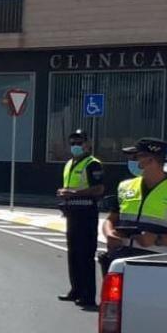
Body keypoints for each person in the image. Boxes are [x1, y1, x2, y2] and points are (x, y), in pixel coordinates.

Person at [97, 137, 167, 278]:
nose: (132, 161)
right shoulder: (126, 187)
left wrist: (157, 239)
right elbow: (111, 219)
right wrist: (109, 233)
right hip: (121, 262)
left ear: (150, 160)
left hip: (157, 267)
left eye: (135, 157)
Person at [56, 129, 105, 307]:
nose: (76, 146)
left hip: (86, 215)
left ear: (88, 144)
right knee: (74, 254)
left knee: (85, 255)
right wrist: (63, 193)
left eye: (80, 142)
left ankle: (88, 295)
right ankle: (75, 289)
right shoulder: (69, 163)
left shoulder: (93, 164)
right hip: (72, 214)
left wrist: (72, 193)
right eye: (73, 143)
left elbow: (99, 189)